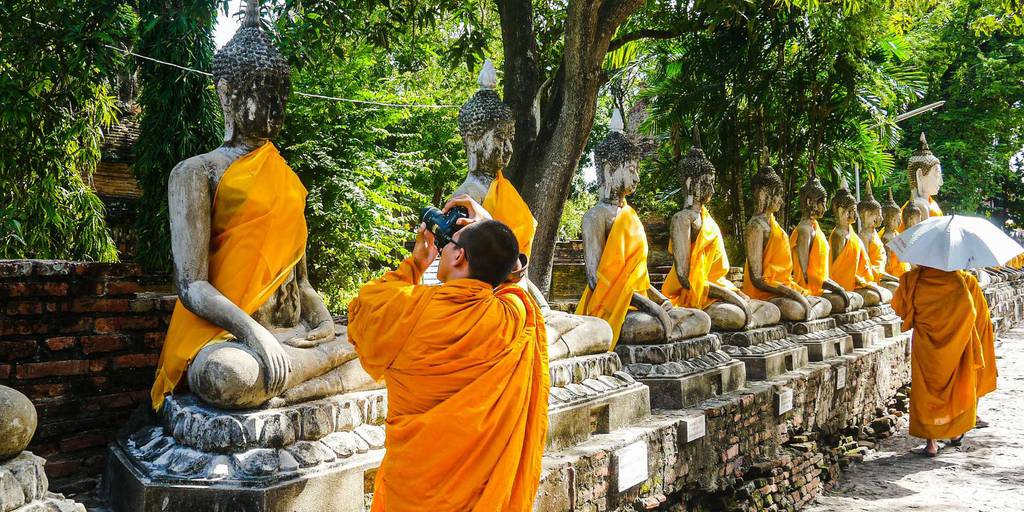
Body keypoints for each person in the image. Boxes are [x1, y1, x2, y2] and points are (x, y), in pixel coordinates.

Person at [347, 196, 549, 511]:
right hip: (479, 495)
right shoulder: (514, 316)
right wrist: (487, 227)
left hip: (413, 487)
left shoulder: (405, 309)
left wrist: (416, 263)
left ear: (459, 256)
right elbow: (514, 276)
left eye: (450, 244)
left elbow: (366, 302)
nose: (444, 248)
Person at [892, 265, 996, 456]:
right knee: (953, 389)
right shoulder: (958, 280)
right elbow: (970, 312)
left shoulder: (912, 279)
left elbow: (900, 308)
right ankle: (955, 433)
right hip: (954, 344)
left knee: (926, 389)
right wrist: (959, 333)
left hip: (925, 344)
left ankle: (931, 444)